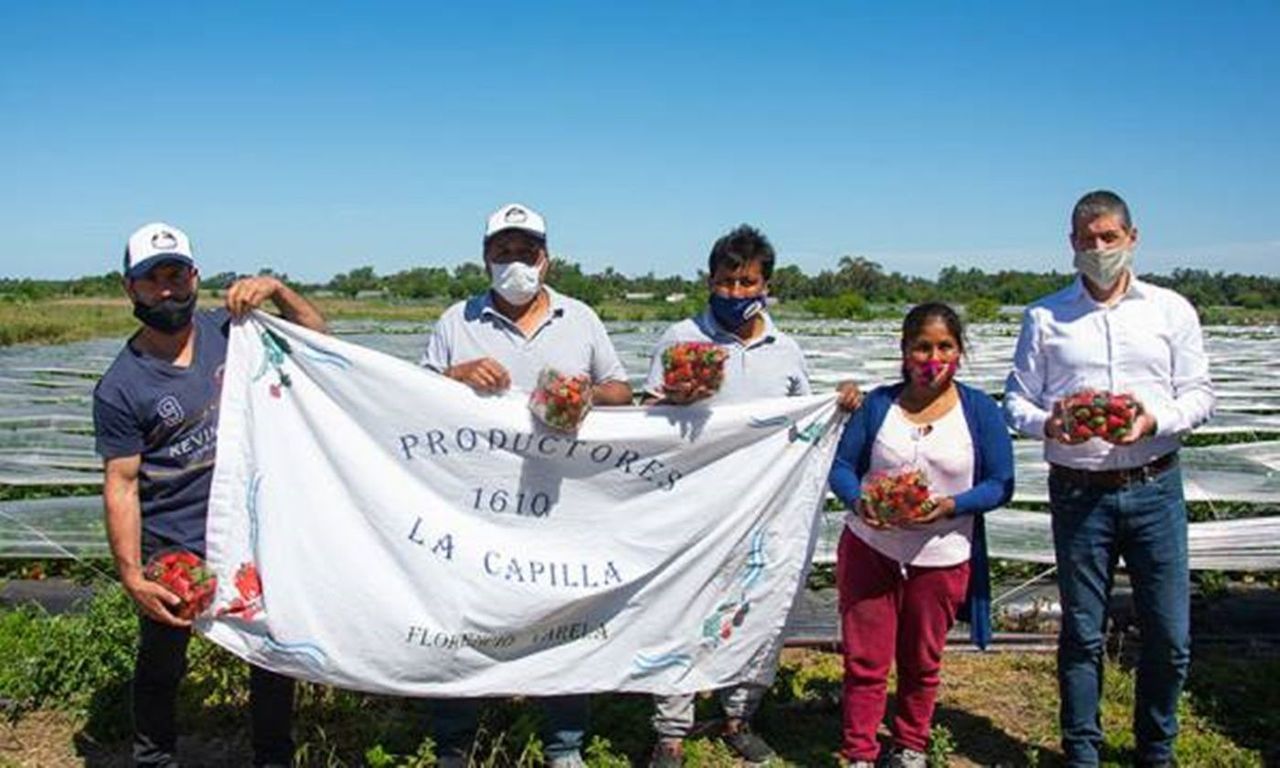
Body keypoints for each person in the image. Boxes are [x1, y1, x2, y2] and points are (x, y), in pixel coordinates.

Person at [94, 222, 327, 767]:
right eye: (152, 280)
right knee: (162, 662)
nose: (167, 289)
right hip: (175, 546)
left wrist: (279, 290)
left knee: (268, 653)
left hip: (251, 531)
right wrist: (131, 573)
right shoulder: (122, 386)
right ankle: (154, 757)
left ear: (195, 276)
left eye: (176, 274)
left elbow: (320, 339)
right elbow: (122, 483)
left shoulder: (235, 331)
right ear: (130, 289)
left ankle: (273, 756)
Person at [1004, 190, 1214, 766]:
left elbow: (1199, 394)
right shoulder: (1045, 316)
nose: (1098, 249)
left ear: (1131, 238)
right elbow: (1016, 402)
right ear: (1071, 243)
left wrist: (1153, 420)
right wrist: (1050, 422)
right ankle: (1082, 753)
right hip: (1079, 492)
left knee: (1169, 638)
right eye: (1087, 239)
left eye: (1108, 238)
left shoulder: (1171, 310)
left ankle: (1156, 750)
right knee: (1082, 635)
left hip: (1155, 486)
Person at [420, 202, 632, 768]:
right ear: (486, 259)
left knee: (563, 615)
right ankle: (455, 743)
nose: (515, 262)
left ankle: (565, 746)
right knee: (466, 616)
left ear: (547, 258)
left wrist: (585, 394)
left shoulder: (581, 319)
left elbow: (621, 392)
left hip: (563, 505)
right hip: (475, 506)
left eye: (526, 252)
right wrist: (454, 377)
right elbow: (411, 405)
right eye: (503, 252)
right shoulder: (455, 322)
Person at [641, 224, 862, 767]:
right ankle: (671, 729)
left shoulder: (783, 349)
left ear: (766, 284)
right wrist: (673, 399)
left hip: (764, 508)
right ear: (709, 280)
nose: (735, 293)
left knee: (756, 604)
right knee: (681, 607)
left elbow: (803, 420)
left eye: (747, 283)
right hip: (694, 505)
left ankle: (739, 714)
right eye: (725, 281)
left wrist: (840, 406)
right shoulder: (680, 338)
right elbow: (648, 421)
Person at [828, 302, 1013, 767]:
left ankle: (910, 746)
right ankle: (859, 753)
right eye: (922, 347)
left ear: (960, 351)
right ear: (905, 351)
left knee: (921, 660)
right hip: (872, 547)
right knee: (865, 661)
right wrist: (860, 503)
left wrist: (952, 506)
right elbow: (843, 467)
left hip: (943, 553)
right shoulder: (877, 405)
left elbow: (1000, 483)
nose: (933, 357)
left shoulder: (979, 411)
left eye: (944, 346)